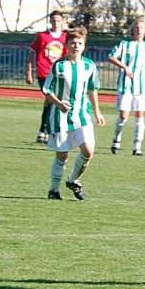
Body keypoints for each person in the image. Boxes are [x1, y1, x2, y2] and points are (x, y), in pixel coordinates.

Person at [43, 26, 105, 201]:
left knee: (88, 151)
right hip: (60, 117)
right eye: (72, 43)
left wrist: (97, 112)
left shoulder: (89, 66)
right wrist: (58, 103)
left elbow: (92, 89)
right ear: (66, 45)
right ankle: (53, 190)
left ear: (84, 46)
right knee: (62, 155)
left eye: (79, 43)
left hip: (82, 115)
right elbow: (47, 89)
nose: (76, 46)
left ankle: (73, 180)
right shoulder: (59, 66)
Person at [107, 17, 145, 156]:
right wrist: (125, 67)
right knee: (123, 116)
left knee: (139, 115)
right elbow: (111, 57)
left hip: (141, 87)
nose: (139, 30)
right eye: (137, 28)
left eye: (142, 28)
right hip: (125, 85)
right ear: (133, 30)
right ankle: (116, 140)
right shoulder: (124, 44)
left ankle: (137, 146)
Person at [26, 10, 67, 143]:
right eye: (54, 20)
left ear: (62, 21)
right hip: (44, 72)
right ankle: (46, 131)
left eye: (58, 20)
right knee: (51, 100)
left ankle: (43, 131)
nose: (56, 22)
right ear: (50, 21)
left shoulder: (65, 37)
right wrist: (29, 71)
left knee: (50, 102)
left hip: (59, 74)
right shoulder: (43, 36)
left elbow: (68, 56)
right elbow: (32, 52)